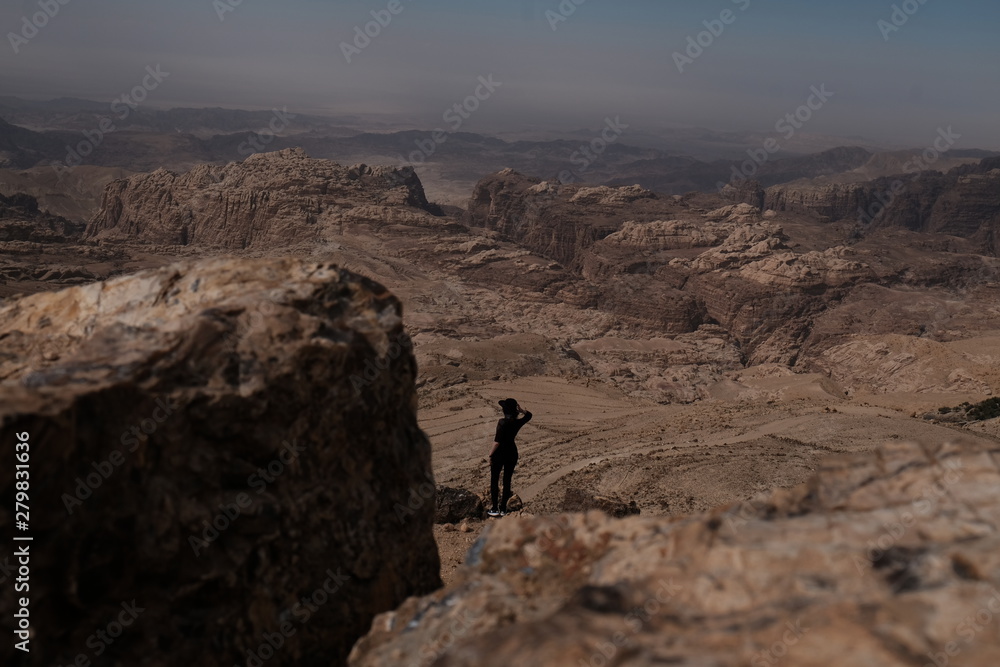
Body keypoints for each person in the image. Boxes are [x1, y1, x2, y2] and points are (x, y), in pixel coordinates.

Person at [488, 398, 532, 517]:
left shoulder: (502, 422)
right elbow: (529, 416)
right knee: (507, 480)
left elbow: (497, 442)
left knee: (494, 480)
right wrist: (521, 410)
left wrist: (490, 454)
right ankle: (503, 509)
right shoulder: (517, 422)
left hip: (499, 453)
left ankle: (494, 508)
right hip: (512, 452)